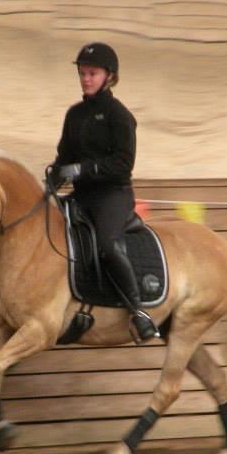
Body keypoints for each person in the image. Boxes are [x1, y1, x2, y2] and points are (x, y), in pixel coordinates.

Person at [47, 42, 160, 343]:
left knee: (107, 246)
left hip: (113, 195)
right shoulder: (74, 115)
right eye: (82, 73)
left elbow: (123, 164)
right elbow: (64, 156)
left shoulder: (119, 115)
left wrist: (83, 169)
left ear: (109, 76)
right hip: (81, 196)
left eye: (92, 73)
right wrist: (54, 176)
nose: (85, 78)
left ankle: (139, 312)